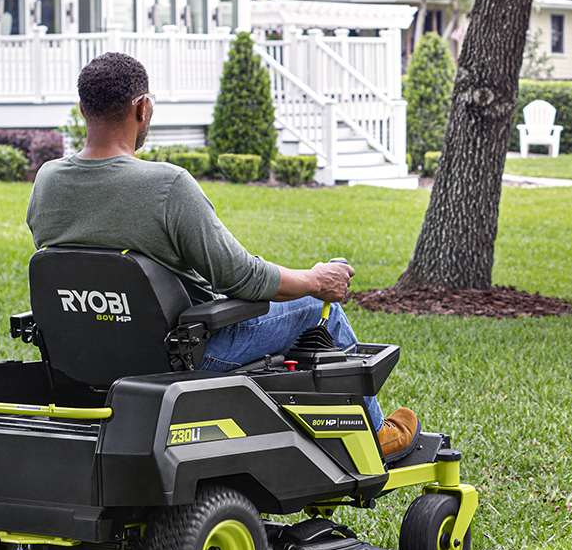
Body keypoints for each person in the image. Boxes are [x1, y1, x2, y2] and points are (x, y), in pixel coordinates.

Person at [25, 51, 420, 459]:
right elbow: (239, 277)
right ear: (142, 108)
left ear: (82, 109)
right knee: (314, 306)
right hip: (184, 354)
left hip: (83, 352)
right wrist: (316, 280)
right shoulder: (167, 186)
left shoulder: (48, 181)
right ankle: (375, 436)